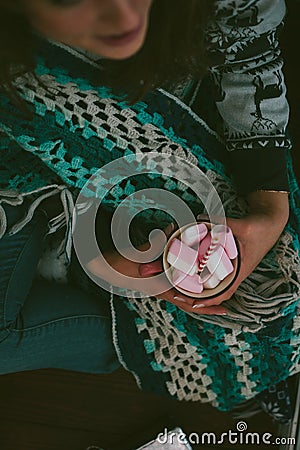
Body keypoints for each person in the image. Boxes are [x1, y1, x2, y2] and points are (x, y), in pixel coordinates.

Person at [0, 0, 299, 423]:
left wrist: (271, 209)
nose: (124, 18)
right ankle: (135, 339)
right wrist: (108, 266)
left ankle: (131, 331)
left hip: (159, 145)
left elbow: (249, 52)